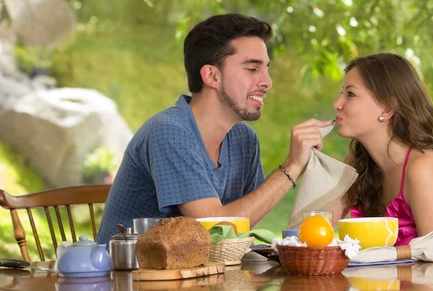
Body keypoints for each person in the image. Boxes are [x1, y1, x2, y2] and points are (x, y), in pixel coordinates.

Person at [97, 14, 330, 244]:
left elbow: (242, 223)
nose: (267, 82)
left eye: (266, 69)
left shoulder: (243, 139)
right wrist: (291, 166)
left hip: (196, 275)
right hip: (125, 277)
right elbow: (212, 229)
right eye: (252, 69)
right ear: (212, 75)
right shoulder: (168, 132)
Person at [329, 53, 433, 248]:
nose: (337, 104)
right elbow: (310, 231)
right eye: (341, 93)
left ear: (387, 109)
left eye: (351, 94)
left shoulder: (423, 169)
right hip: (395, 278)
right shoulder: (359, 163)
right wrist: (301, 160)